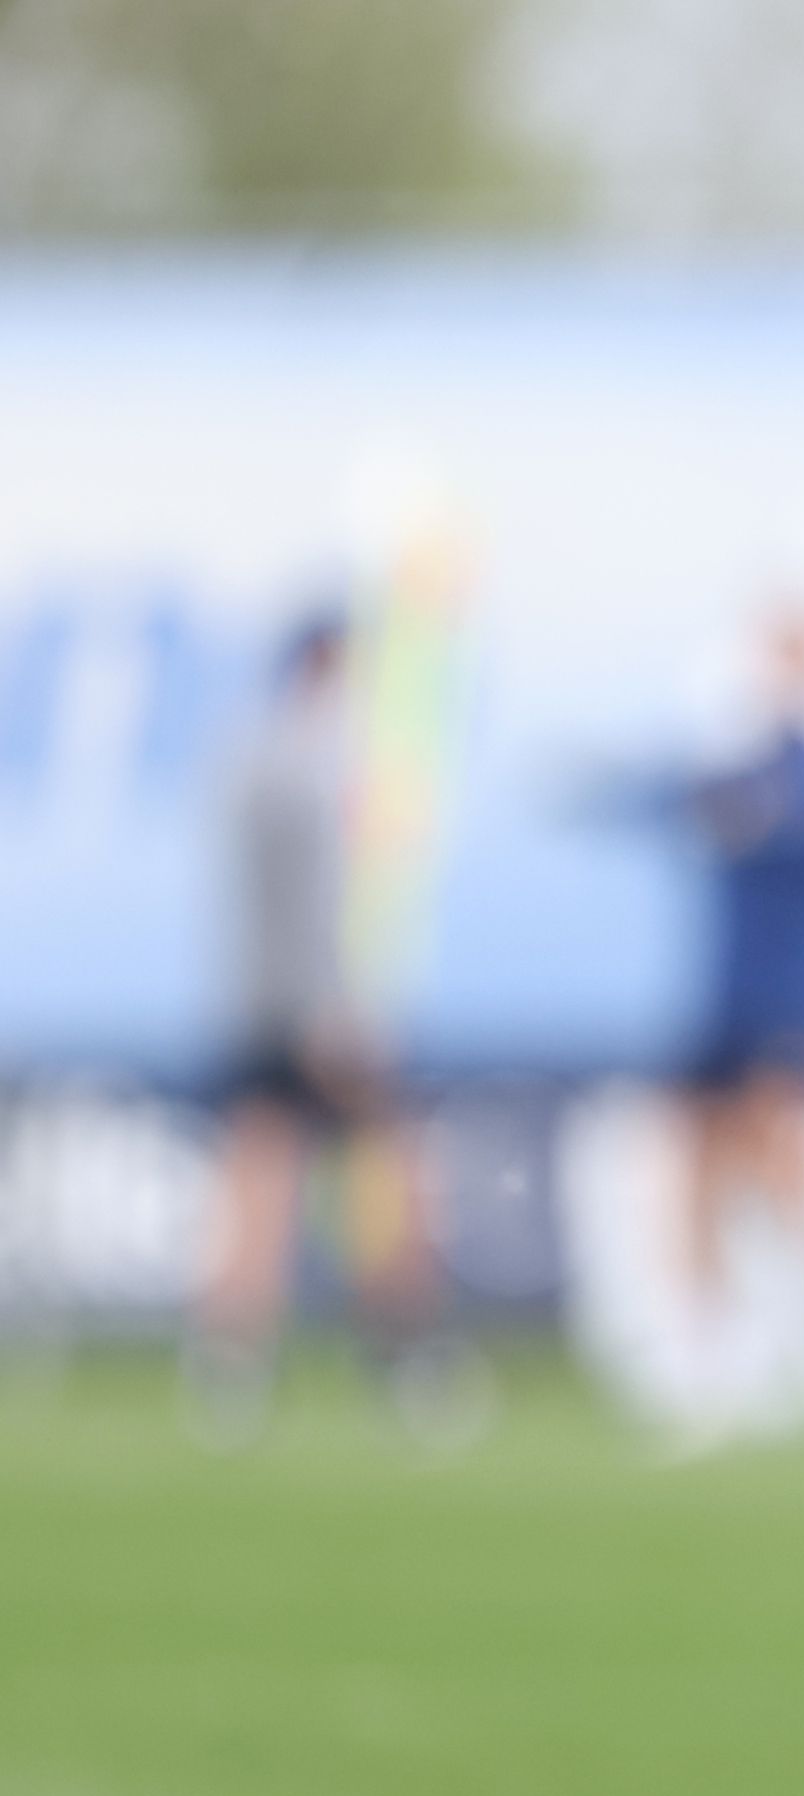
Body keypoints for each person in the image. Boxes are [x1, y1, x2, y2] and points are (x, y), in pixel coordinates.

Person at [187, 608, 462, 1443]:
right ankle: (401, 1349)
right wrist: (330, 1011)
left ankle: (233, 1362)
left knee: (267, 1178)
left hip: (263, 1005)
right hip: (306, 1013)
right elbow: (305, 910)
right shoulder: (299, 765)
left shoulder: (259, 756)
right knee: (374, 1173)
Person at [676, 603, 804, 1310]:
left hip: (789, 988)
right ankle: (706, 1324)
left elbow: (775, 821)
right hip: (733, 987)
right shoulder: (736, 765)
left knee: (784, 1146)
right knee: (705, 1148)